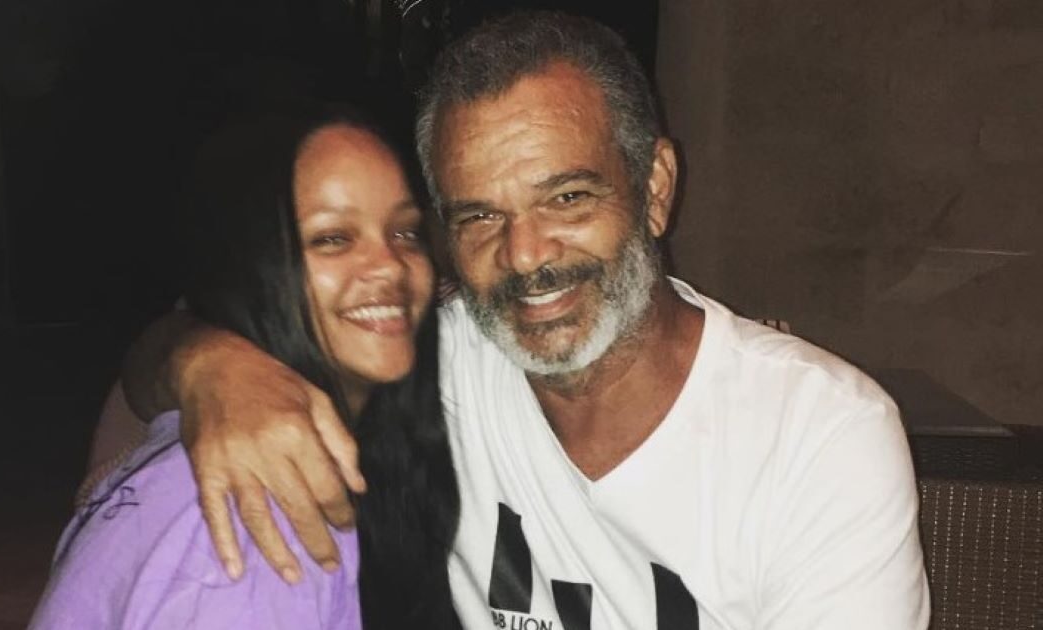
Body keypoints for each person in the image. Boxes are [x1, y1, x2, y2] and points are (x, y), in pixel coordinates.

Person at [109, 11, 930, 630]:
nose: (526, 255)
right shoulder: (437, 356)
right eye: (479, 216)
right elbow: (144, 372)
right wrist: (209, 365)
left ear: (653, 189)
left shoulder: (819, 437)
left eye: (566, 197)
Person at [30, 109, 460, 629]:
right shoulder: (262, 510)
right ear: (254, 261)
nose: (390, 263)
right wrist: (204, 363)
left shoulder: (387, 417)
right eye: (332, 238)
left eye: (406, 232)